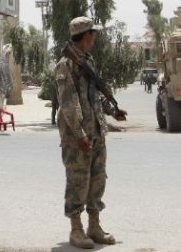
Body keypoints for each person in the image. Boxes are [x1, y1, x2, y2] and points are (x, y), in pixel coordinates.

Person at [55, 16, 127, 249]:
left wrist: (112, 111)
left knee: (97, 180)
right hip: (78, 137)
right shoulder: (66, 64)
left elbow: (93, 96)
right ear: (86, 36)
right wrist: (80, 134)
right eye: (93, 34)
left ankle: (94, 227)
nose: (94, 37)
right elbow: (69, 102)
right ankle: (76, 230)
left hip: (96, 132)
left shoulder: (88, 62)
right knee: (77, 181)